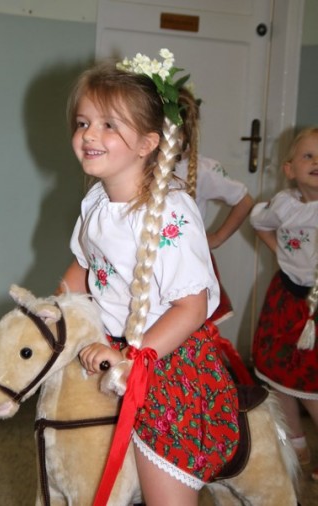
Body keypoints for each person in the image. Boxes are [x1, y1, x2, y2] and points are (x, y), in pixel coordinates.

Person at [56, 49, 239, 506]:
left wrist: (131, 359)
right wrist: (57, 312)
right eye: (83, 123)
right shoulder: (97, 202)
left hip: (166, 368)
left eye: (108, 125)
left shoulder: (171, 212)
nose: (89, 134)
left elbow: (191, 307)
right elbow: (84, 266)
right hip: (111, 354)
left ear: (147, 143)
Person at [250, 126, 318, 478]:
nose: (317, 162)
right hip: (287, 300)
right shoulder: (284, 205)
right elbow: (258, 221)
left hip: (314, 311)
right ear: (289, 169)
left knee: (312, 386)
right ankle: (297, 444)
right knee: (279, 374)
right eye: (308, 155)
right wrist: (280, 252)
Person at [174, 86, 254, 324]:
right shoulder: (142, 166)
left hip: (189, 267)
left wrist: (217, 237)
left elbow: (244, 200)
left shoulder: (204, 170)